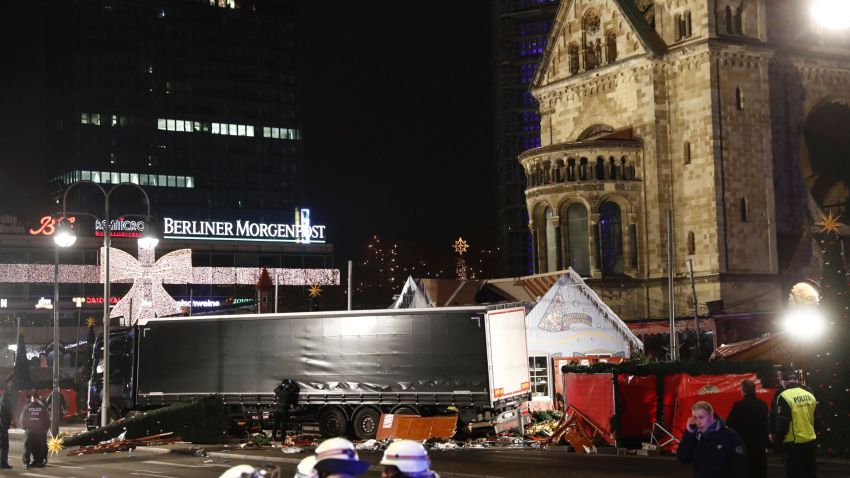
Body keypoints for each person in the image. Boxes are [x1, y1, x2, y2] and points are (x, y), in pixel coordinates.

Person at [677, 400, 747, 478]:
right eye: (695, 418)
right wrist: (688, 433)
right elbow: (683, 458)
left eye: (701, 417)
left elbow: (740, 467)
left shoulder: (729, 435)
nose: (698, 422)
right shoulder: (695, 436)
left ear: (711, 416)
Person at [774, 371, 819, 478]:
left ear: (785, 382)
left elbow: (783, 422)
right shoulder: (809, 394)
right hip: (810, 440)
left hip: (793, 442)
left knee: (794, 472)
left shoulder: (784, 396)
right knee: (810, 471)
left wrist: (778, 440)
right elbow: (817, 418)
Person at [727, 379, 769, 478]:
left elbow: (730, 424)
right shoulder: (762, 404)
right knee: (759, 470)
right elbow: (766, 423)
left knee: (746, 470)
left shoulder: (738, 405)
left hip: (743, 444)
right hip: (759, 444)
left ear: (743, 390)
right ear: (754, 389)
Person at [19, 391, 49, 469]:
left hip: (29, 430)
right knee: (39, 447)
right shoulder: (42, 407)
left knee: (27, 447)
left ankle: (26, 463)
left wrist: (24, 427)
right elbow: (46, 419)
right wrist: (46, 428)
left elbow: (22, 418)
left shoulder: (27, 407)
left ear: (32, 398)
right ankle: (39, 462)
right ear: (37, 399)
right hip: (39, 431)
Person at [0, 388, 13, 469]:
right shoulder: (4, 405)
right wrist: (6, 426)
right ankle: (3, 463)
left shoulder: (1, 403)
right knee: (4, 446)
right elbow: (6, 417)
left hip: (2, 427)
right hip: (2, 428)